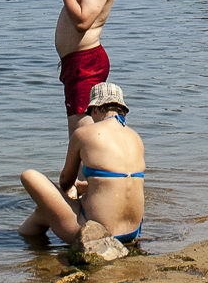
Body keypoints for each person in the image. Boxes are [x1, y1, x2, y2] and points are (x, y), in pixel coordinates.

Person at [19, 82, 145, 247]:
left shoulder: (84, 134)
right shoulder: (135, 137)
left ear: (96, 109)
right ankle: (30, 242)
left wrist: (71, 192)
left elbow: (65, 180)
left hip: (94, 234)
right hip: (132, 232)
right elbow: (118, 182)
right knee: (43, 212)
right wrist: (84, 187)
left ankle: (21, 244)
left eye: (90, 113)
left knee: (29, 175)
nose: (91, 118)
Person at [54, 0, 117, 131]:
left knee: (81, 134)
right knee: (82, 134)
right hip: (75, 63)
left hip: (86, 63)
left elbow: (83, 22)